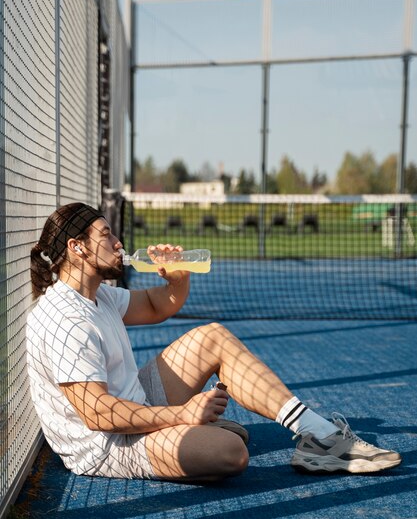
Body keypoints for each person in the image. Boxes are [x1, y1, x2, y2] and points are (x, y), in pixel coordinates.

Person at [26, 202, 401, 482]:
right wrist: (182, 416)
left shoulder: (97, 294)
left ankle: (318, 434)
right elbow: (98, 414)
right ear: (77, 247)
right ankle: (190, 434)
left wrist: (177, 279)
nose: (118, 241)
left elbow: (158, 306)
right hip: (104, 444)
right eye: (106, 234)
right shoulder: (65, 319)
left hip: (132, 399)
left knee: (213, 337)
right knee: (230, 453)